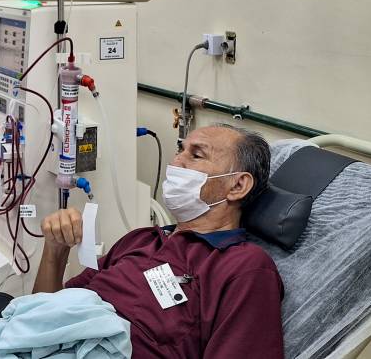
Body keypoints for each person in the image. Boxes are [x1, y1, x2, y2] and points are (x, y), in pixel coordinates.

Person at [33, 124, 285, 359]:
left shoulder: (244, 266)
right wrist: (55, 251)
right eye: (180, 150)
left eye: (196, 155)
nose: (176, 162)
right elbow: (40, 318)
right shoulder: (140, 240)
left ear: (237, 185)